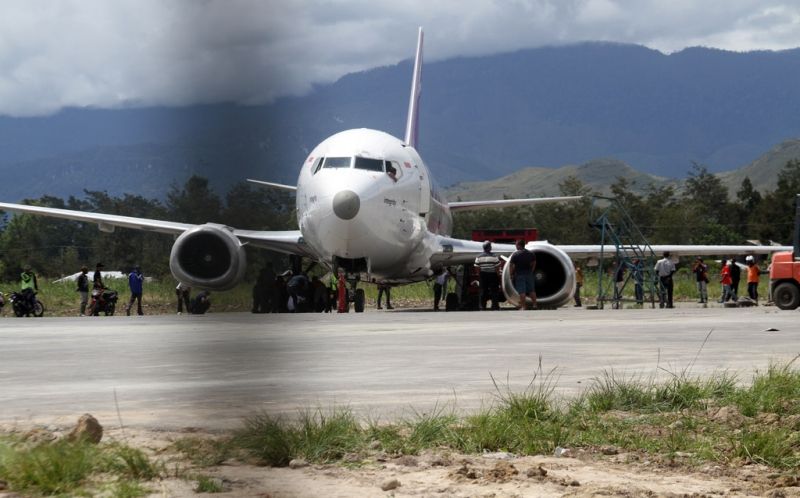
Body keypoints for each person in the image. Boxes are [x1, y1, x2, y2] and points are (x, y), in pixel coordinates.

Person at [509, 239, 537, 310]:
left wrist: (511, 274)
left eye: (516, 245)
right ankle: (534, 305)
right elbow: (534, 262)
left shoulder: (515, 254)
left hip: (519, 274)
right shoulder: (530, 253)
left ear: (519, 245)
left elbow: (511, 265)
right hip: (529, 273)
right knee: (531, 290)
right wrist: (531, 270)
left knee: (522, 291)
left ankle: (524, 306)